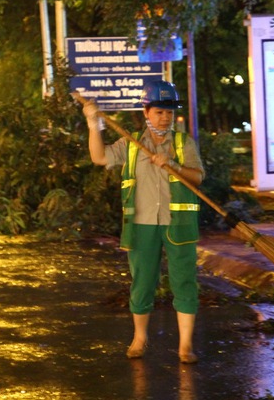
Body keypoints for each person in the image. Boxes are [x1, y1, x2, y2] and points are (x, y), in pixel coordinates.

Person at [82, 80, 205, 364]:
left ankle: (185, 346)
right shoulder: (131, 144)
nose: (165, 117)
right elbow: (99, 157)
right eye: (159, 111)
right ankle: (140, 338)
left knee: (184, 281)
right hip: (142, 224)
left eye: (169, 112)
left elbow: (197, 178)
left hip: (180, 224)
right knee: (142, 281)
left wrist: (172, 165)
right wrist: (93, 124)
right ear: (146, 111)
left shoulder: (183, 143)